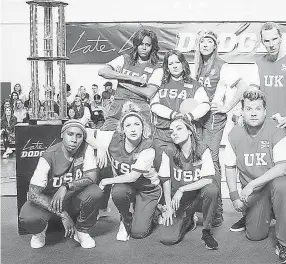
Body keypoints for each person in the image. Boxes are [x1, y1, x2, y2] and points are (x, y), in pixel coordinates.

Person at [233, 22, 286, 232]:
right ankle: (250, 211)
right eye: (266, 40)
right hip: (261, 128)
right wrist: (242, 112)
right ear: (262, 41)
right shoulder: (259, 63)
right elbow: (253, 92)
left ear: (281, 37)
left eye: (274, 39)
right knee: (255, 170)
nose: (271, 44)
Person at [225, 90, 286, 263]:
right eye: (248, 109)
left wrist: (251, 184)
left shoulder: (277, 130)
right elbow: (229, 167)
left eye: (258, 108)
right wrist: (234, 196)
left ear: (265, 111)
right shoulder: (234, 134)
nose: (253, 112)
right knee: (255, 235)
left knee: (281, 184)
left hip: (274, 185)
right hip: (256, 192)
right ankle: (269, 211)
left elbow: (282, 168)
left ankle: (285, 244)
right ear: (242, 111)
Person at [193, 30, 250, 227]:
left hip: (214, 118)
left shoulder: (222, 66)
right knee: (200, 159)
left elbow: (243, 86)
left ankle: (216, 211)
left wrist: (227, 107)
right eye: (202, 42)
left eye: (209, 42)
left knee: (212, 160)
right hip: (198, 118)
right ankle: (203, 206)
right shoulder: (198, 66)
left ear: (215, 45)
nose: (206, 45)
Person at [18, 120, 103, 249]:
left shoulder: (86, 149)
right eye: (70, 134)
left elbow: (92, 177)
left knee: (95, 192)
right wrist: (63, 214)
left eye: (78, 136)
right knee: (27, 217)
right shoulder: (49, 156)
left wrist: (66, 186)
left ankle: (81, 231)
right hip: (49, 200)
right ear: (62, 134)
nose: (74, 140)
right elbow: (33, 193)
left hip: (71, 197)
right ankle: (39, 232)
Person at [86, 102, 162, 241]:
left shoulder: (148, 146)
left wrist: (106, 181)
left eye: (136, 124)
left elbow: (133, 176)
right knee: (118, 191)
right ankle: (125, 219)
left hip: (147, 189)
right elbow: (85, 132)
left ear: (143, 127)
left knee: (139, 233)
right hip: (127, 187)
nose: (133, 129)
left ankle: (154, 210)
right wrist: (100, 147)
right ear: (122, 129)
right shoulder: (114, 138)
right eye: (128, 125)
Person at [158, 116, 219, 250]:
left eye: (179, 128)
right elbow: (165, 180)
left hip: (198, 198)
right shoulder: (168, 151)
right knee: (167, 239)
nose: (174, 132)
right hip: (179, 202)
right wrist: (168, 206)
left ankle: (207, 231)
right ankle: (189, 220)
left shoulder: (202, 149)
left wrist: (182, 189)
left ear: (190, 130)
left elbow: (208, 179)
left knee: (211, 189)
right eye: (171, 130)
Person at [150, 50, 210, 162]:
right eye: (170, 64)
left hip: (185, 136)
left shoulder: (194, 84)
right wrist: (173, 114)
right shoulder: (161, 83)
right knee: (161, 168)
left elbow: (205, 105)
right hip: (163, 134)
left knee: (182, 168)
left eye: (177, 62)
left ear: (183, 63)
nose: (174, 66)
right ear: (167, 67)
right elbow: (154, 105)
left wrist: (189, 116)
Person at [98, 28, 162, 130]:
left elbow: (149, 92)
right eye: (141, 44)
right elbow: (102, 72)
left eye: (148, 45)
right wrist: (131, 78)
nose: (144, 48)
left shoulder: (157, 68)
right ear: (136, 45)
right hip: (118, 108)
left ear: (153, 47)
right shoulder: (125, 59)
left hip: (140, 109)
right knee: (106, 140)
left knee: (140, 143)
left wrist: (124, 83)